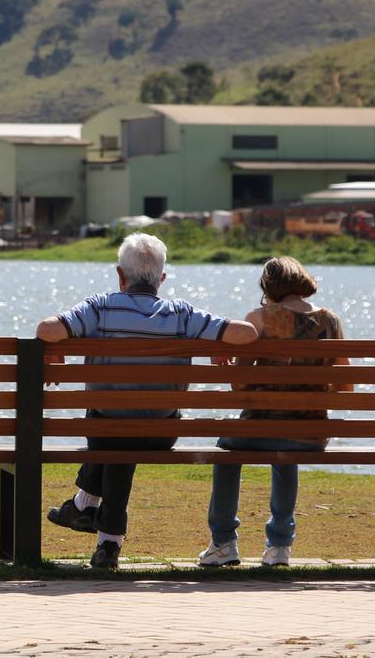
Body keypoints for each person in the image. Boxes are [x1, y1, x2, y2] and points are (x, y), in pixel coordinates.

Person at [36, 232, 258, 570]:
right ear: (162, 279)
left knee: (113, 429)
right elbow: (247, 334)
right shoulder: (181, 314)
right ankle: (101, 536)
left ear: (120, 275)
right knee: (127, 432)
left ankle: (87, 512)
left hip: (104, 429)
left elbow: (46, 329)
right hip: (161, 432)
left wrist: (55, 350)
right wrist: (219, 345)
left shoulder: (101, 307)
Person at [198, 255, 350, 568]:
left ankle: (223, 542)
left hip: (259, 431)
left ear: (269, 286)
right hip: (310, 435)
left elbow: (239, 391)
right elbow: (345, 387)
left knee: (226, 447)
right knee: (287, 449)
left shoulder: (258, 318)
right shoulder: (331, 321)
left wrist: (229, 367)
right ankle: (279, 546)